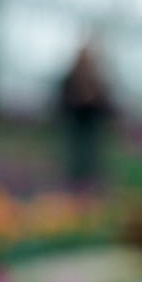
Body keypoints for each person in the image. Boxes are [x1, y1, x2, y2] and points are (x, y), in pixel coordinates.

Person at [57, 38, 116, 190]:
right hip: (75, 122)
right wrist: (77, 100)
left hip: (91, 124)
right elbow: (61, 102)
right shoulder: (70, 78)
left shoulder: (96, 80)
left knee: (92, 156)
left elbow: (107, 106)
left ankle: (89, 184)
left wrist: (93, 100)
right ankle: (74, 184)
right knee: (74, 156)